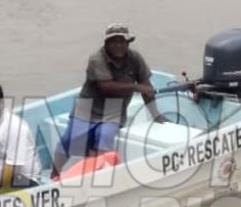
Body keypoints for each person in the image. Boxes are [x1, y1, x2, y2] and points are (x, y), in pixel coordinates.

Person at [54, 24, 165, 174]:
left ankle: (99, 175)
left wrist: (155, 114)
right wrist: (135, 87)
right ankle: (54, 173)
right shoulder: (96, 59)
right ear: (106, 43)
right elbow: (106, 87)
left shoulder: (136, 58)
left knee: (104, 137)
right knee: (70, 138)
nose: (118, 46)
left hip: (114, 108)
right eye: (114, 42)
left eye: (122, 42)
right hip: (87, 105)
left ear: (128, 43)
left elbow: (147, 88)